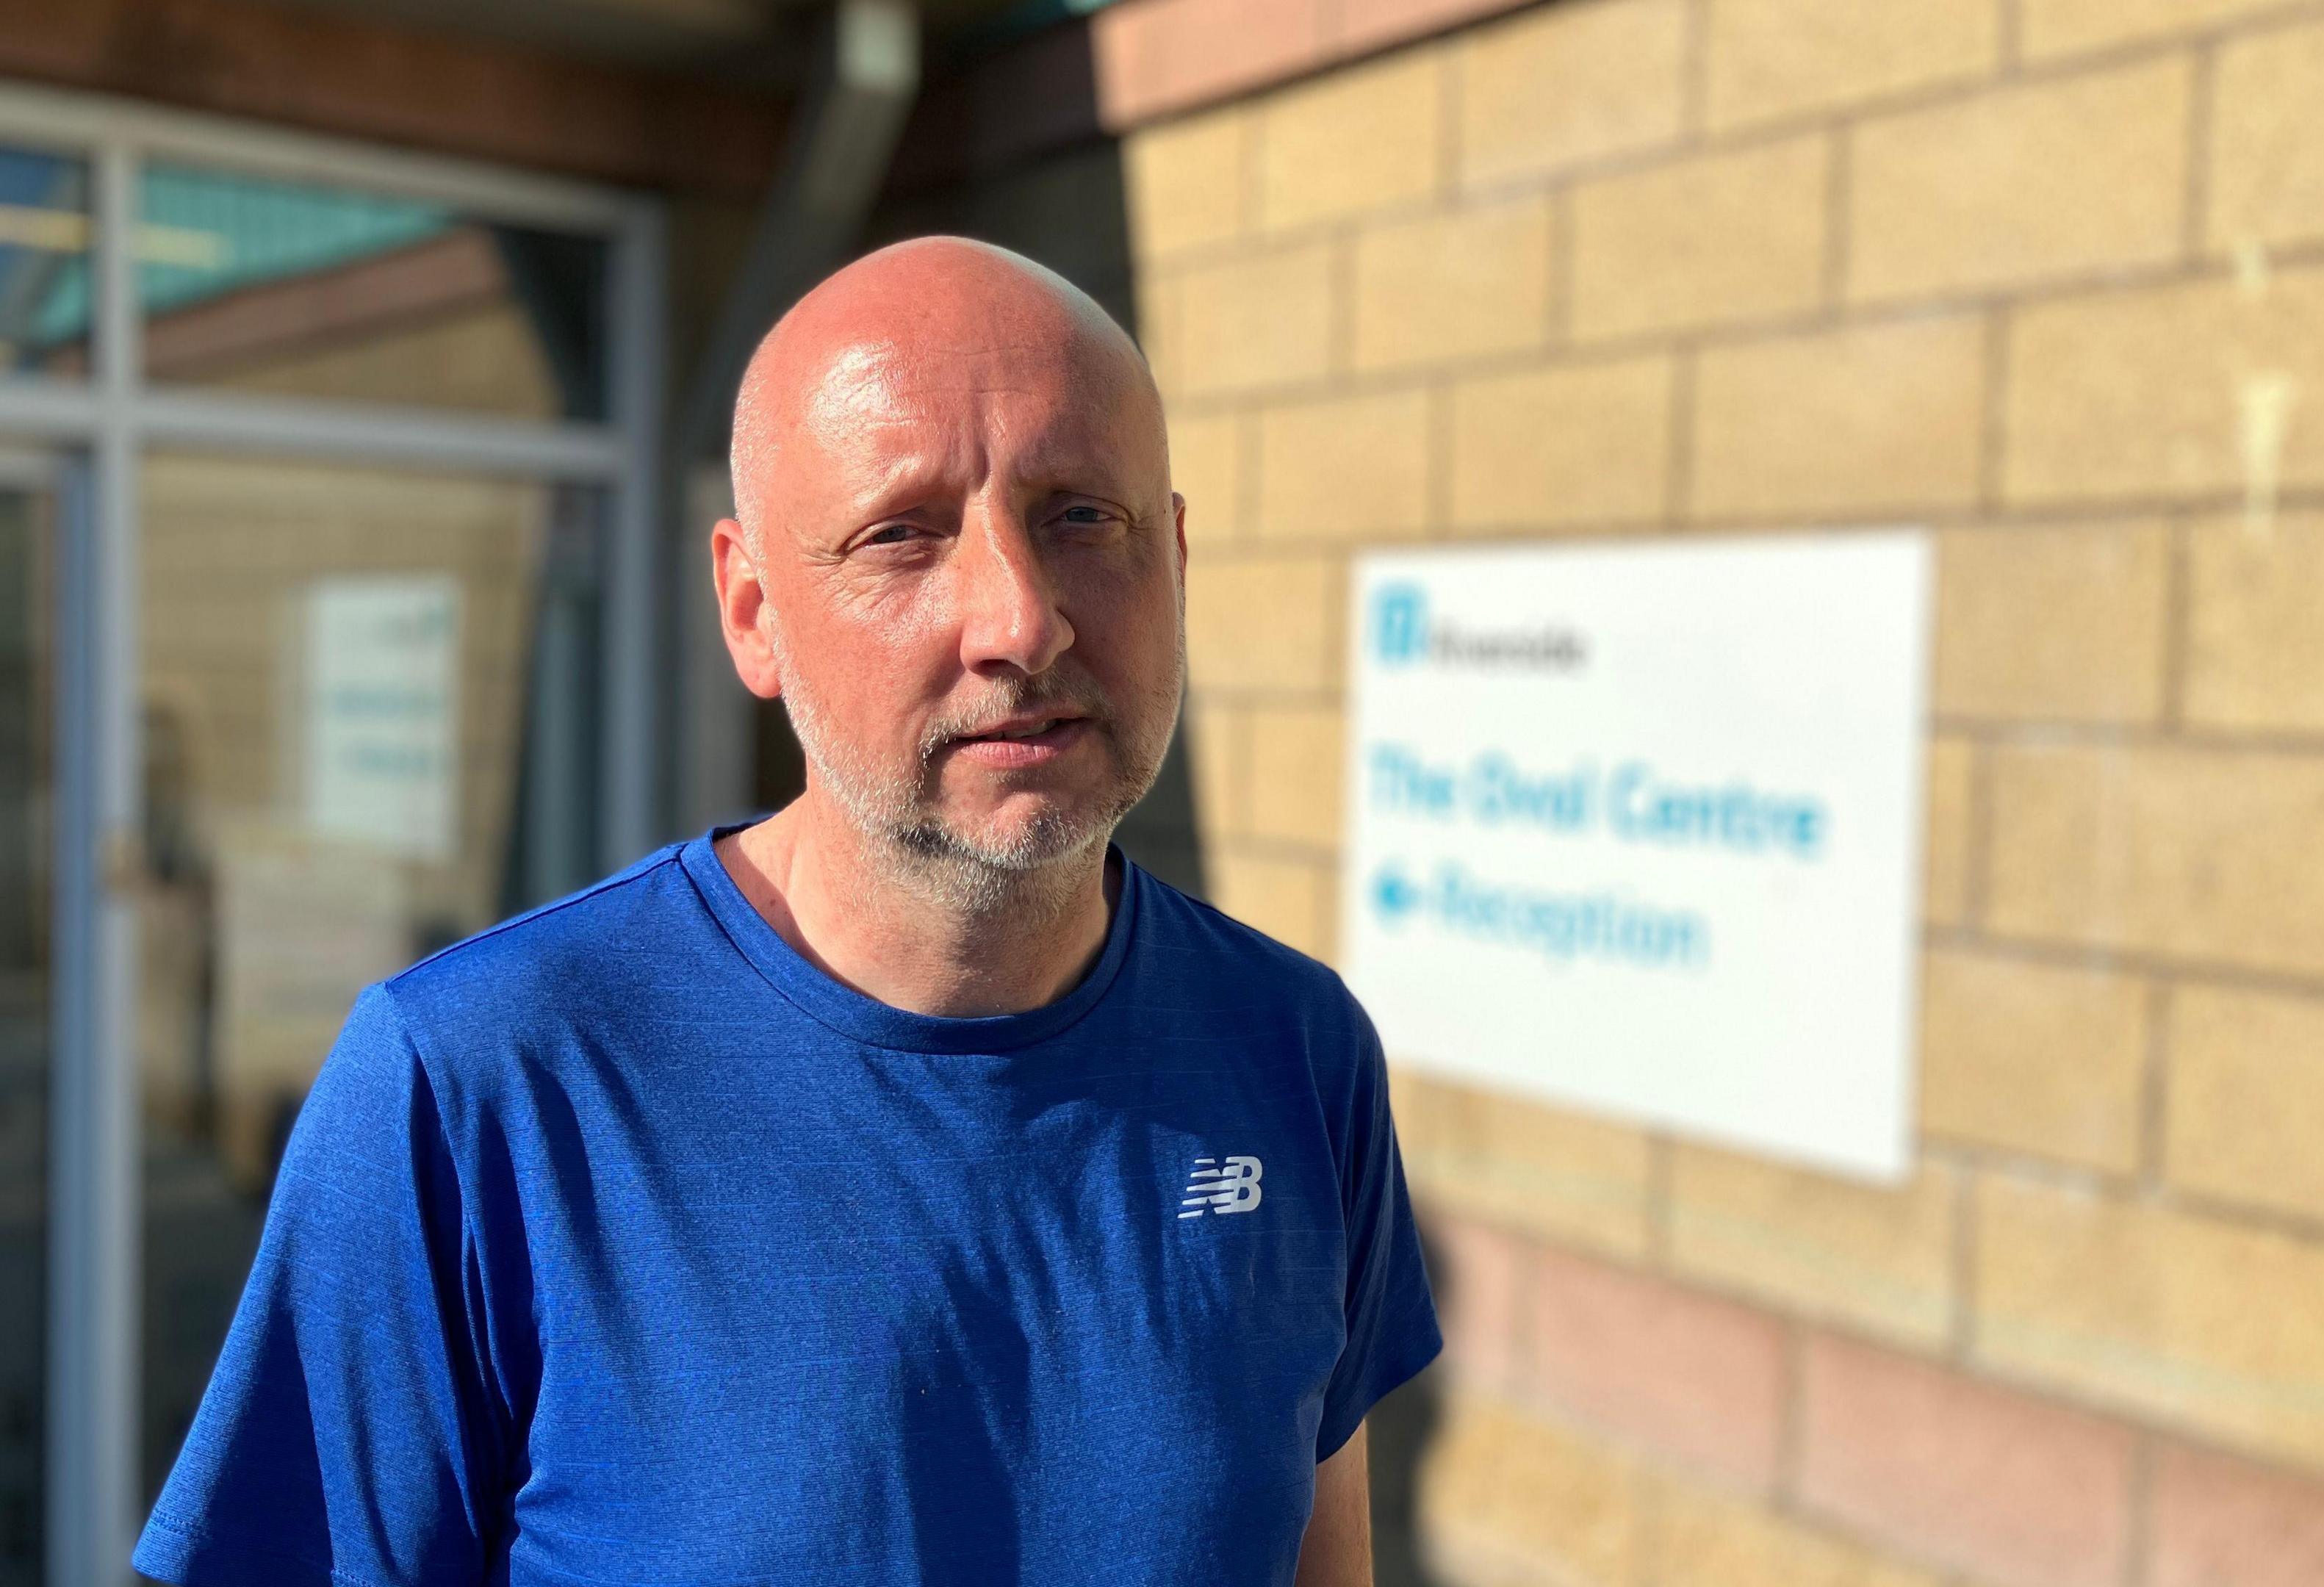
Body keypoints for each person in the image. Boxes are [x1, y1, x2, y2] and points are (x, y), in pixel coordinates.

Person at [133, 237, 1440, 1586]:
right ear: (753, 611)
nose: (1020, 620)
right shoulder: (476, 1085)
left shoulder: (1295, 1047)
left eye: (1079, 518)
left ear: (1174, 557)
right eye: (901, 536)